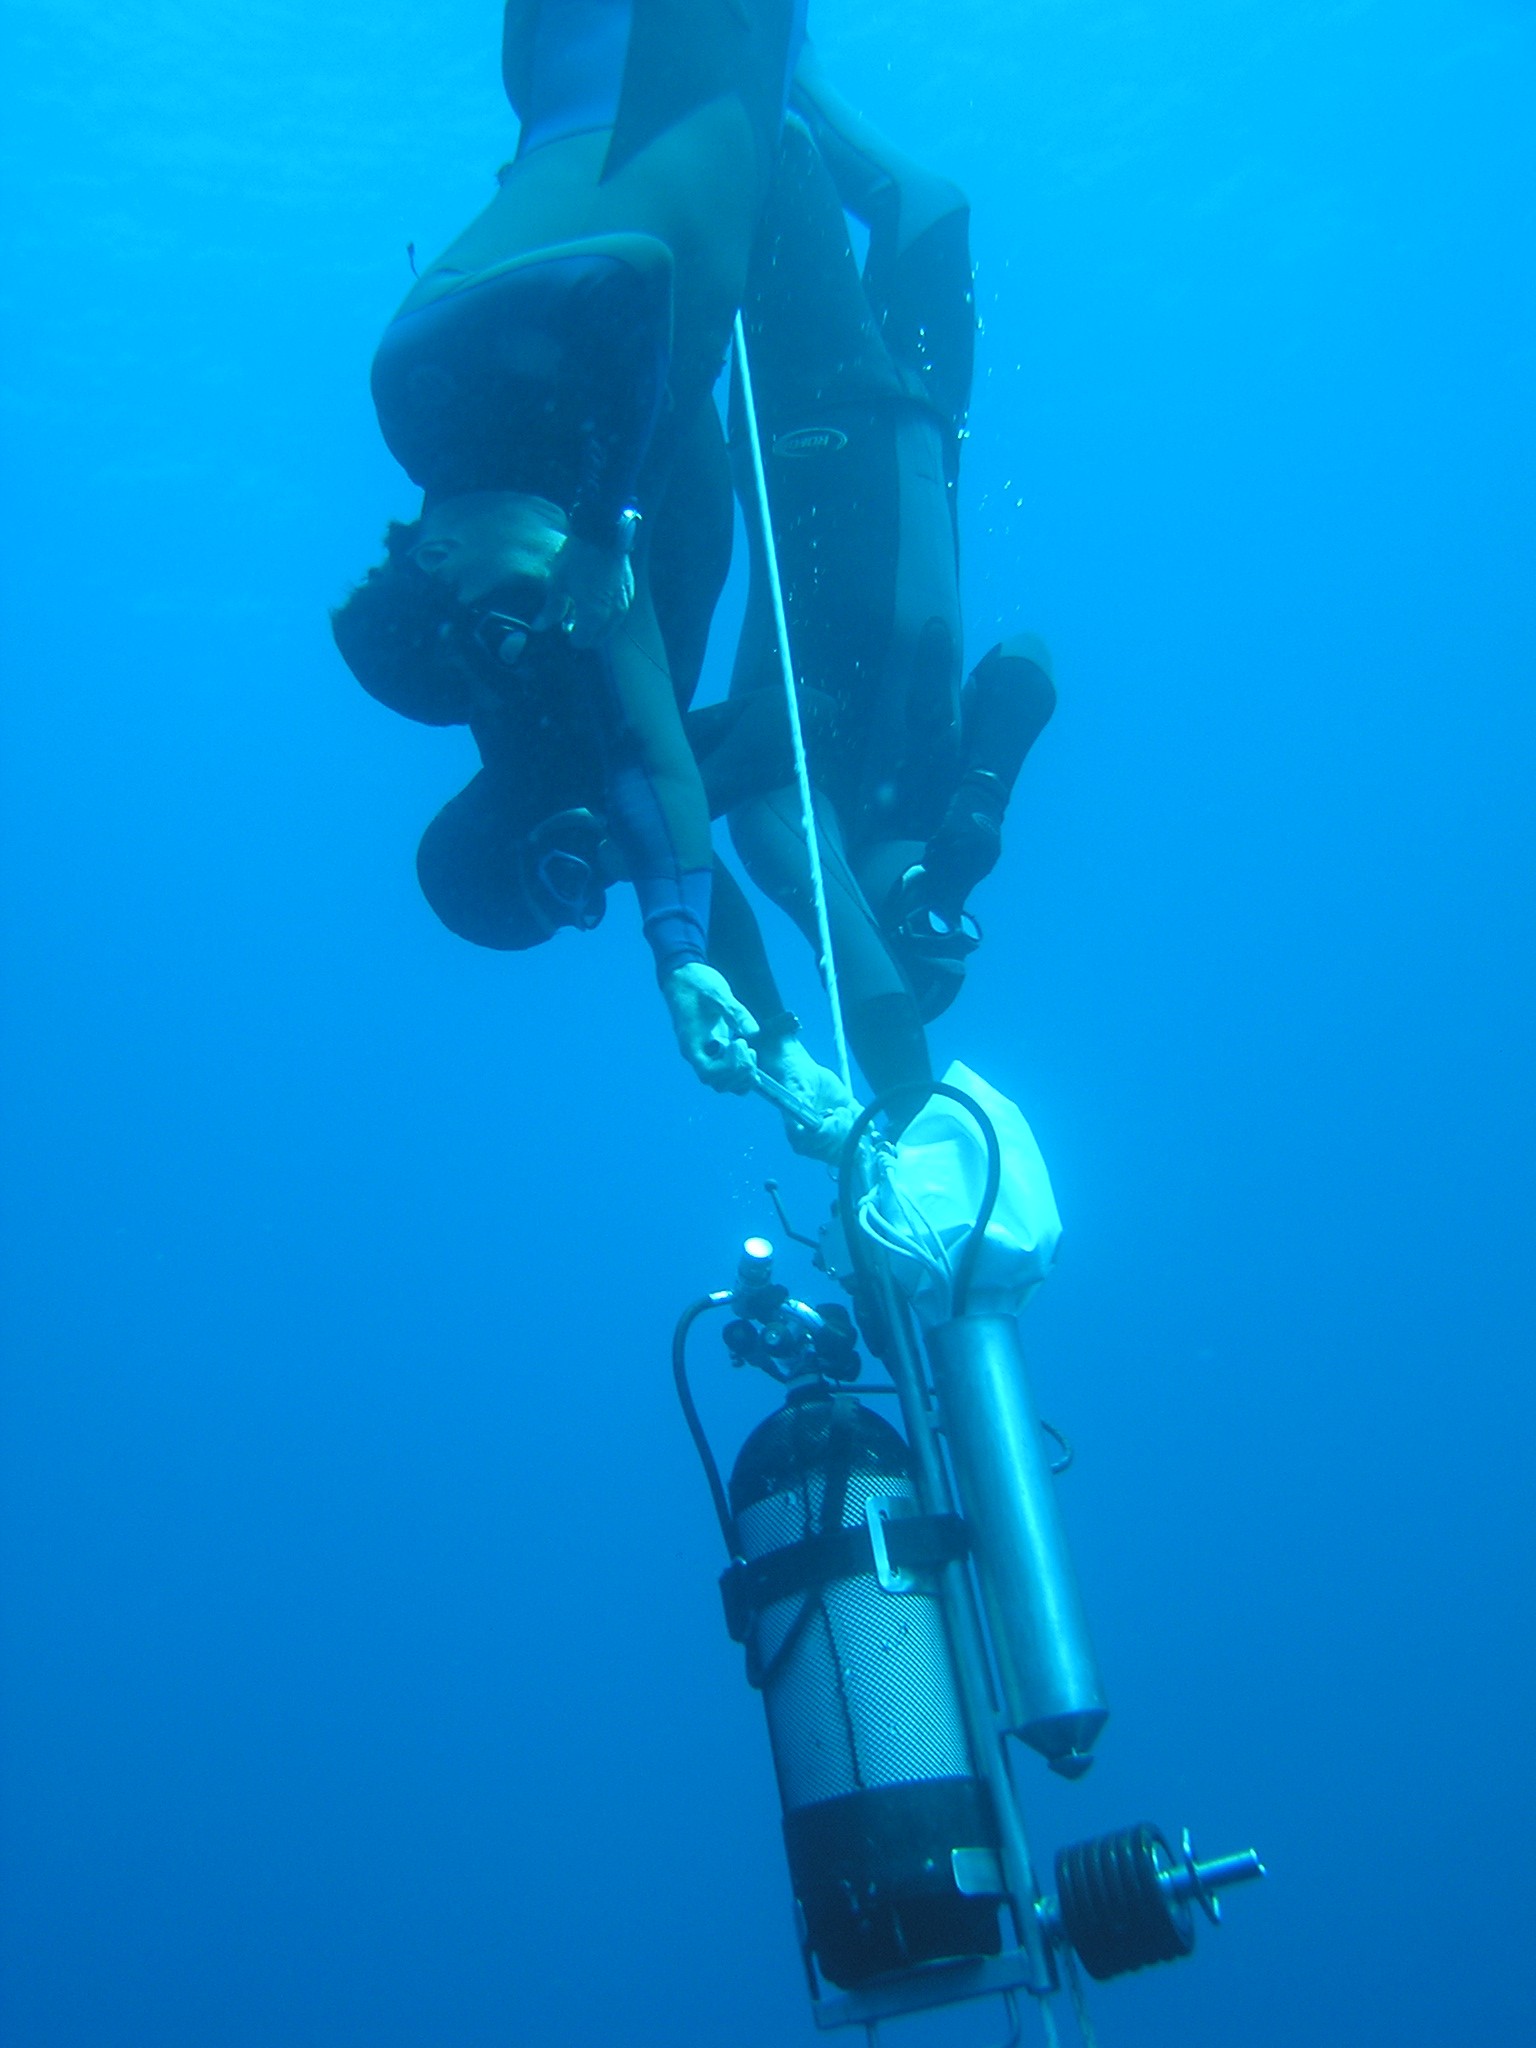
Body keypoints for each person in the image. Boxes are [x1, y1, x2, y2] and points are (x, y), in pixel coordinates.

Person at [333, 0, 809, 1097]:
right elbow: (645, 758)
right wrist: (685, 962)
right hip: (746, 72)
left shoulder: (421, 397)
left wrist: (602, 525)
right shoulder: (586, 501)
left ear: (435, 560)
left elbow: (633, 272)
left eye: (503, 623)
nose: (540, 625)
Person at [715, 51, 1058, 1102]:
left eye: (921, 931)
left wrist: (907, 1111)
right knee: (933, 207)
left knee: (780, 158)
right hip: (924, 418)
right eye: (953, 930)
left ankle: (725, 45)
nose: (934, 910)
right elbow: (1028, 662)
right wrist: (985, 799)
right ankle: (787, 55)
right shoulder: (948, 802)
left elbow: (859, 979)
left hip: (808, 410)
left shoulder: (788, 813)